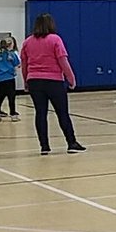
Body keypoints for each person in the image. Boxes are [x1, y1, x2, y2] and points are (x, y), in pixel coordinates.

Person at [20, 14, 86, 155]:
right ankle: (71, 142)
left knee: (40, 113)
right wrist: (71, 79)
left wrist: (26, 81)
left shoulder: (27, 42)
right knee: (62, 113)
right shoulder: (55, 39)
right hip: (53, 81)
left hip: (34, 81)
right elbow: (63, 61)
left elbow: (24, 64)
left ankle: (44, 146)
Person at [0, 37, 20, 122]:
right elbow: (17, 63)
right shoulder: (11, 54)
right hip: (9, 78)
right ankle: (13, 115)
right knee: (11, 97)